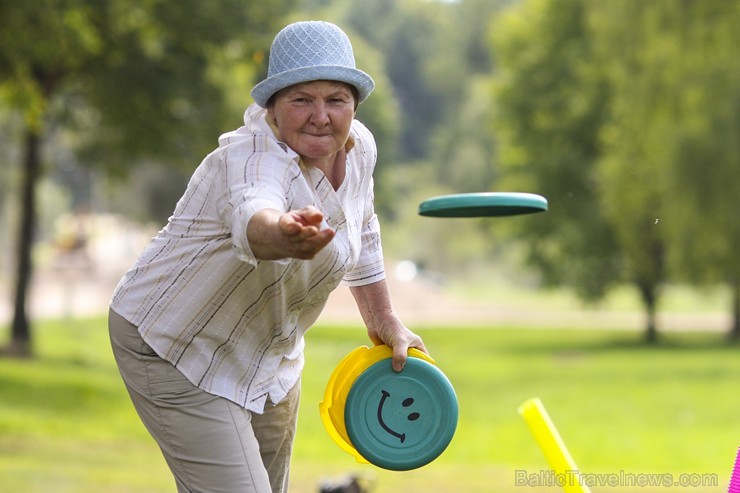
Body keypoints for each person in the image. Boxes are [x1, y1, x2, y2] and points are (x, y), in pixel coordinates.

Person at [108, 20, 427, 493]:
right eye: (302, 100)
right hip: (175, 342)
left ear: (353, 106)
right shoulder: (251, 154)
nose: (321, 115)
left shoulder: (360, 149)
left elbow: (363, 224)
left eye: (335, 99)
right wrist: (283, 234)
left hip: (268, 354)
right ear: (273, 110)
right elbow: (252, 216)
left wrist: (384, 318)